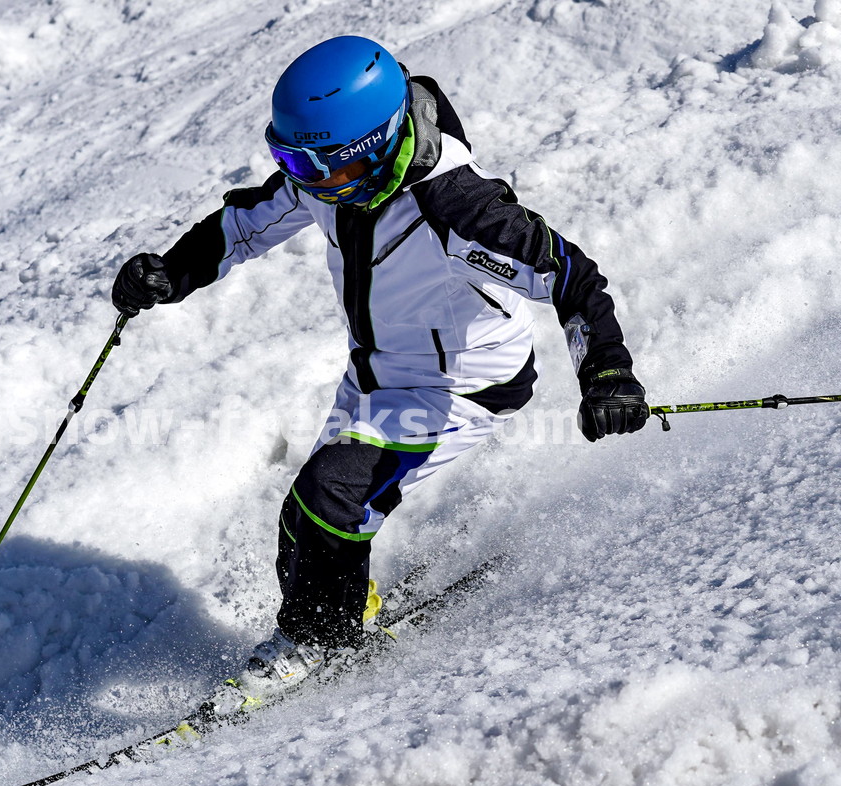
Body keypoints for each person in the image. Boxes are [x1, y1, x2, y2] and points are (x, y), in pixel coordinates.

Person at [111, 35, 649, 704]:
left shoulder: (457, 211)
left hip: (457, 388)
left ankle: (318, 638)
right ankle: (343, 607)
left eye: (315, 167)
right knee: (303, 522)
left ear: (372, 151)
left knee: (332, 492)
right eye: (288, 160)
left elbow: (570, 277)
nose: (302, 181)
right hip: (374, 373)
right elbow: (243, 224)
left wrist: (606, 373)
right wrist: (171, 273)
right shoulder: (330, 180)